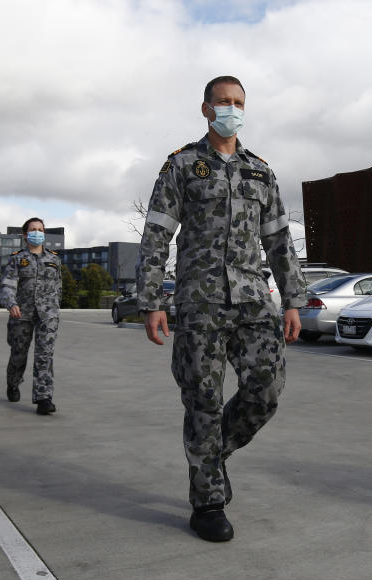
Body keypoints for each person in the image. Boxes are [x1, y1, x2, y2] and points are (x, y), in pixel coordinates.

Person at [137, 75, 306, 543]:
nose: (231, 108)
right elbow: (156, 236)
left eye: (238, 102)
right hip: (200, 302)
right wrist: (151, 300)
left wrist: (293, 299)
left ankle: (212, 457)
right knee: (204, 402)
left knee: (265, 390)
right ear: (206, 109)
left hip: (254, 300)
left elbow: (278, 239)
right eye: (223, 102)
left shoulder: (260, 171)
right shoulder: (182, 166)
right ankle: (208, 501)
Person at [0, 217, 62, 415]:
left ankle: (44, 398)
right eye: (33, 229)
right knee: (19, 353)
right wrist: (11, 303)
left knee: (45, 355)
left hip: (47, 314)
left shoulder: (54, 259)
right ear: (25, 235)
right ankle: (13, 382)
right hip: (21, 313)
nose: (37, 232)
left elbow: (58, 287)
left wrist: (55, 308)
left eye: (40, 229)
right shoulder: (17, 258)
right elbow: (8, 283)